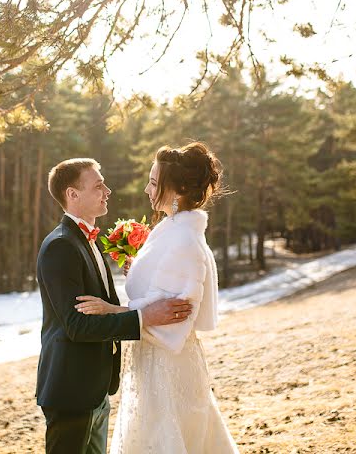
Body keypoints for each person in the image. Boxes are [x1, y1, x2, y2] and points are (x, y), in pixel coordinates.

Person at [74, 142, 239, 453]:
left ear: (176, 190)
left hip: (168, 367)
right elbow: (162, 297)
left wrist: (113, 311)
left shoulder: (182, 239)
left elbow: (172, 320)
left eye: (153, 182)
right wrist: (137, 269)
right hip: (156, 363)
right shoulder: (172, 230)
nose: (147, 189)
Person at [36, 158, 194, 454]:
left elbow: (103, 306)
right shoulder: (60, 246)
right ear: (73, 195)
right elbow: (77, 326)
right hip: (71, 389)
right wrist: (144, 318)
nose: (107, 190)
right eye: (98, 186)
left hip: (97, 387)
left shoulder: (90, 242)